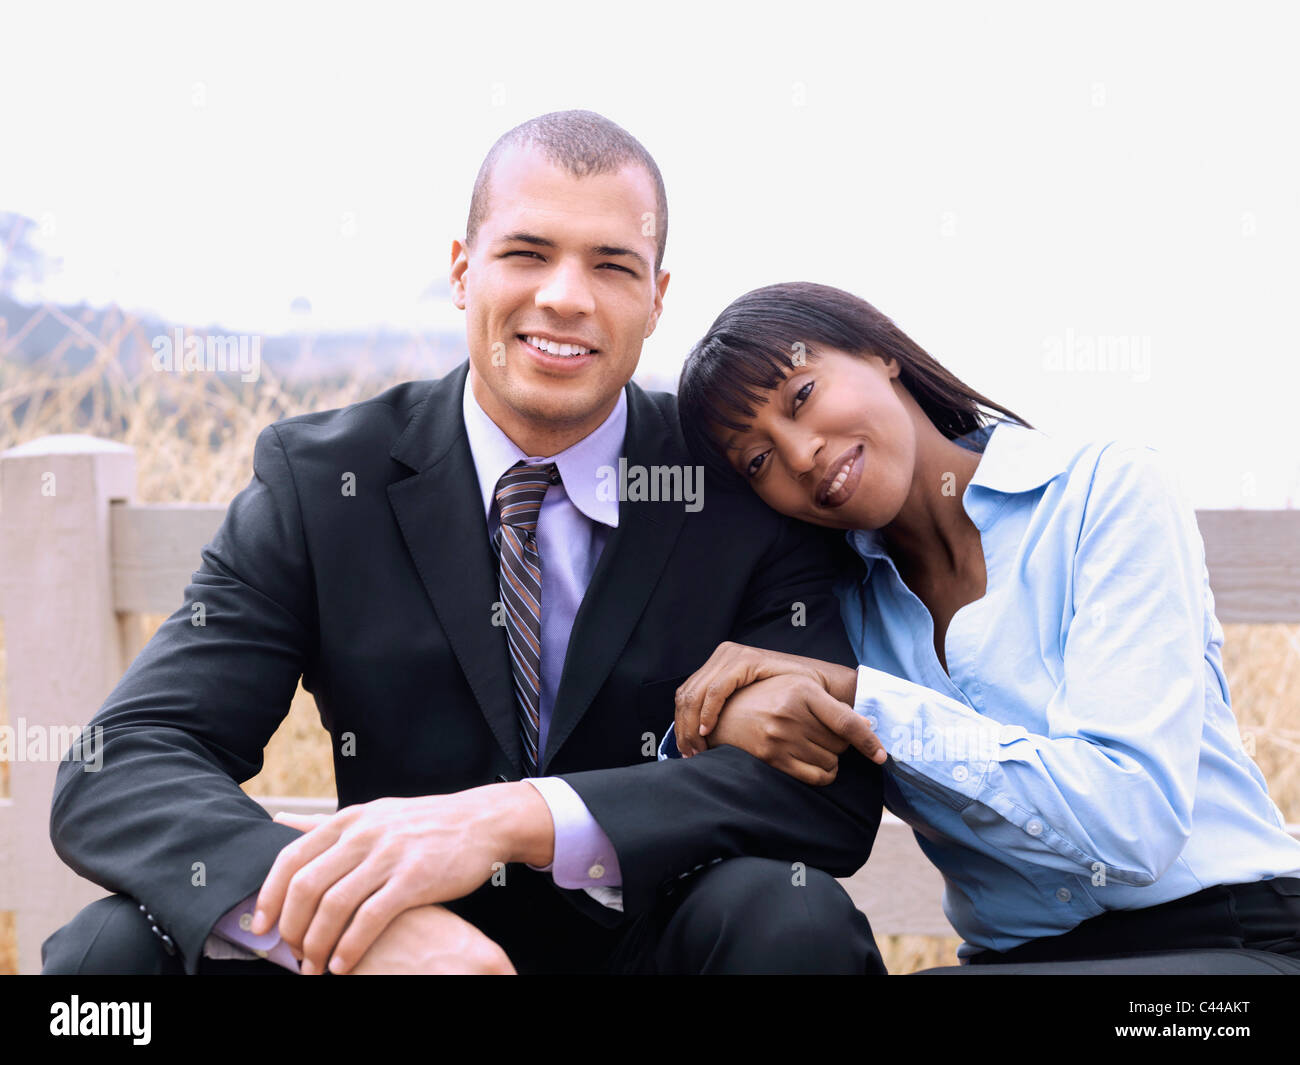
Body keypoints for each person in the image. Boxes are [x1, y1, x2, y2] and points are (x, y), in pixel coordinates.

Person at [41, 115, 888, 976]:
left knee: (792, 917)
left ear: (657, 298)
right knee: (105, 952)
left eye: (611, 264)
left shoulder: (738, 486)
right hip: (394, 957)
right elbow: (124, 761)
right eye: (528, 253)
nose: (566, 295)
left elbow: (827, 791)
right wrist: (344, 920)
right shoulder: (323, 482)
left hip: (656, 950)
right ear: (461, 270)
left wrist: (519, 816)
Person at [668, 280, 1300, 973]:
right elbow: (743, 784)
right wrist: (716, 722)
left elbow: (1134, 824)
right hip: (1014, 963)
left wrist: (863, 696)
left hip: (1230, 951)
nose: (799, 455)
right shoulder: (837, 607)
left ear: (880, 353)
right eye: (759, 461)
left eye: (802, 397)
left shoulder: (1106, 494)